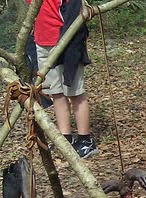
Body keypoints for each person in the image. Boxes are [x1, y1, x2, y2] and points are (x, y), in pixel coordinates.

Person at [29, 0, 97, 158]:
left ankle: (85, 140)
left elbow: (75, 13)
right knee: (56, 93)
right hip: (42, 43)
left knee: (75, 92)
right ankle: (65, 138)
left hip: (67, 43)